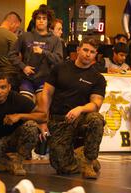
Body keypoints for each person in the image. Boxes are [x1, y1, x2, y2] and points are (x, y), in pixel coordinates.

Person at [39, 37, 106, 179]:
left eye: (92, 52)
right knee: (62, 167)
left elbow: (96, 104)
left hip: (81, 118)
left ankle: (88, 162)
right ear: (78, 50)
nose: (88, 54)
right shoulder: (60, 68)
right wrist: (43, 120)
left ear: (96, 55)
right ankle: (80, 156)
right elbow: (46, 93)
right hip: (59, 119)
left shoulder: (98, 78)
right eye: (85, 50)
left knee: (96, 119)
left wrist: (80, 109)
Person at [0, 72, 45, 175]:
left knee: (31, 126)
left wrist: (19, 115)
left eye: (3, 87)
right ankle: (4, 161)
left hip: (13, 139)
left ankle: (18, 161)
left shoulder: (18, 99)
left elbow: (43, 116)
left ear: (9, 87)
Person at [9, 5, 63, 103]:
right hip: (27, 79)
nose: (41, 21)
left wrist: (43, 52)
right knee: (25, 105)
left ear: (48, 21)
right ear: (35, 20)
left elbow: (59, 59)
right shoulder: (25, 36)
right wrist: (23, 67)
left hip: (45, 79)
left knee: (42, 107)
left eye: (44, 18)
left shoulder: (55, 40)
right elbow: (11, 54)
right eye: (38, 18)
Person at [0, 12, 22, 90]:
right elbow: (18, 56)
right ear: (13, 23)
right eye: (17, 27)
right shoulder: (11, 36)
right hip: (10, 75)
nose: (16, 29)